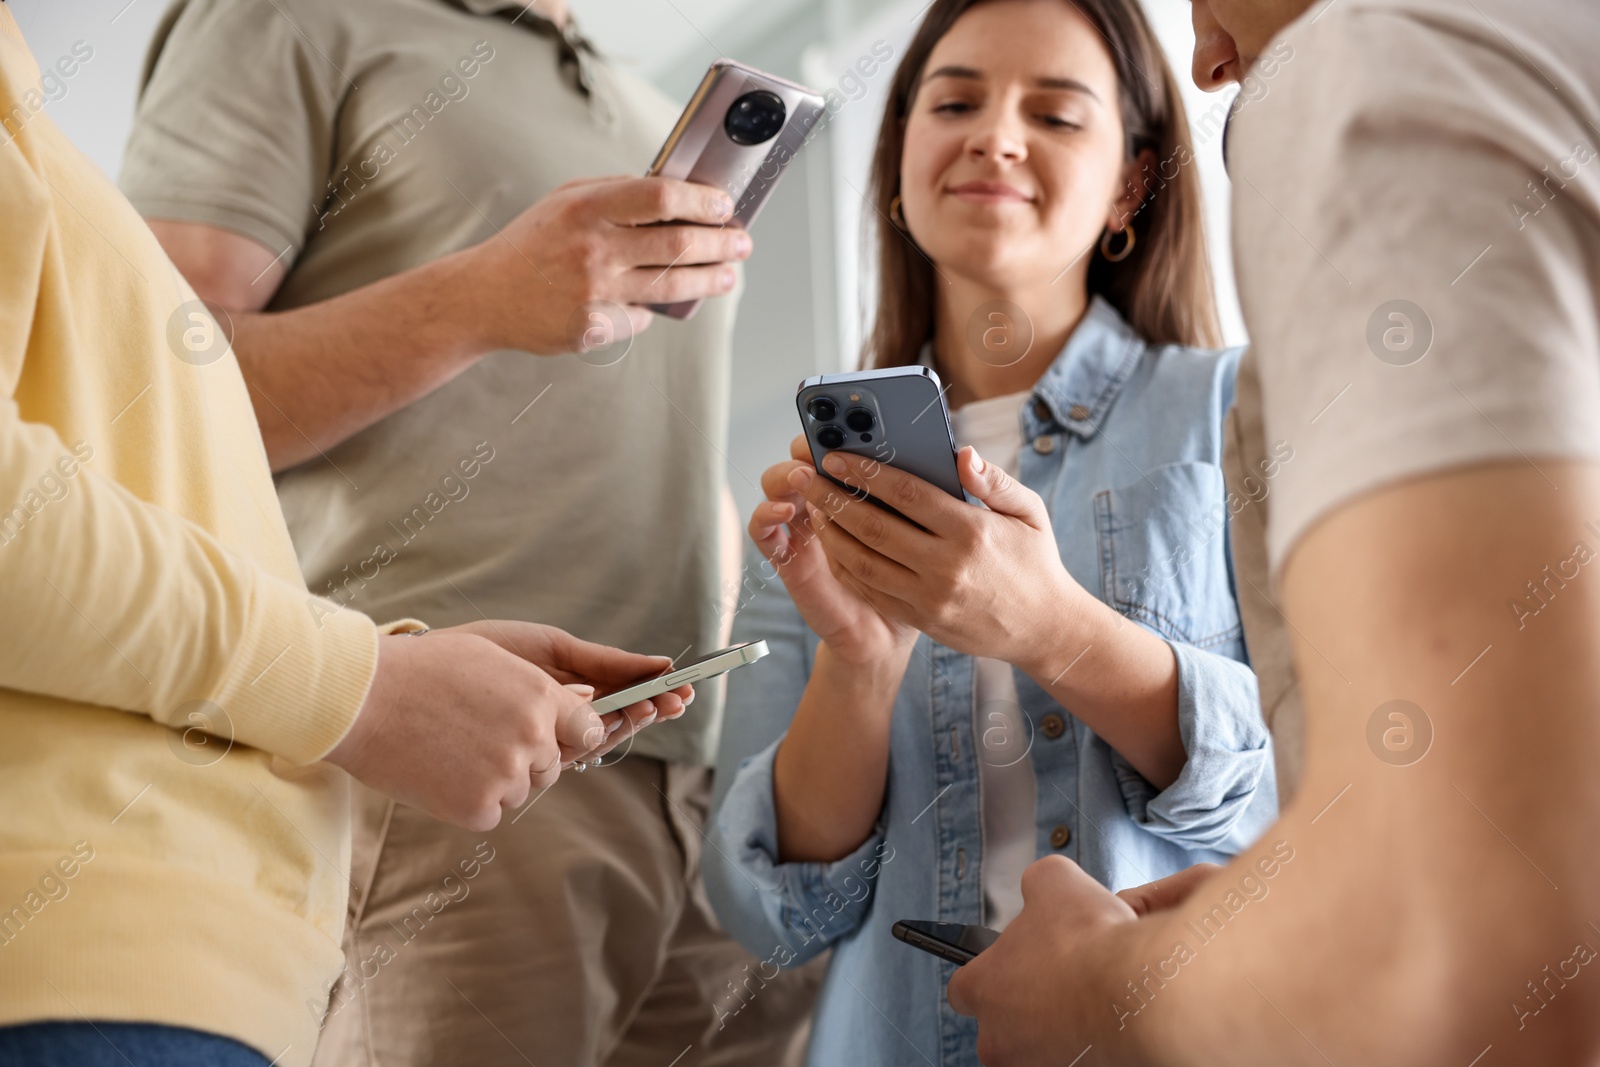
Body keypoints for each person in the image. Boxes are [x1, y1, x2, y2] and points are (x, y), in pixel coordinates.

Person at [118, 1, 822, 1064]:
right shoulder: (290, 20)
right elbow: (144, 396)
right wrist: (483, 296)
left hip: (690, 781)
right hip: (446, 764)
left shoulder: (644, 106)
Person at [0, 3, 687, 1065]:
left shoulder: (644, 99)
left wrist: (385, 666)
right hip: (294, 826)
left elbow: (154, 459)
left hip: (619, 759)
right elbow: (169, 407)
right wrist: (361, 681)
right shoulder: (285, 19)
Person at [946, 0, 1600, 1062]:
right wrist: (1291, 916)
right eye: (952, 98)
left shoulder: (1371, 72)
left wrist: (1105, 996)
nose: (1207, 58)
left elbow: (1476, 955)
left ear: (1130, 182)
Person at [701, 0, 1279, 1061]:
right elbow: (769, 909)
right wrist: (862, 663)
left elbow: (1324, 784)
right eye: (954, 100)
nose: (994, 135)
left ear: (1131, 183)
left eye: (1055, 116)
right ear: (900, 163)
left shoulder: (1238, 415)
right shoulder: (813, 496)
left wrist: (1055, 629)